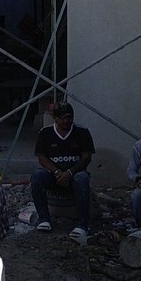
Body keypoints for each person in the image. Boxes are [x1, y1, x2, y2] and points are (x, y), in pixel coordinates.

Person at [30, 103, 95, 245]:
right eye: (63, 118)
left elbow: (86, 158)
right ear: (55, 118)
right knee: (36, 177)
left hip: (75, 173)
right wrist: (57, 172)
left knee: (82, 178)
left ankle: (82, 224)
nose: (66, 121)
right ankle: (44, 219)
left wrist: (70, 173)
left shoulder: (82, 132)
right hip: (54, 173)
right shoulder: (45, 133)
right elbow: (42, 158)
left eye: (69, 118)